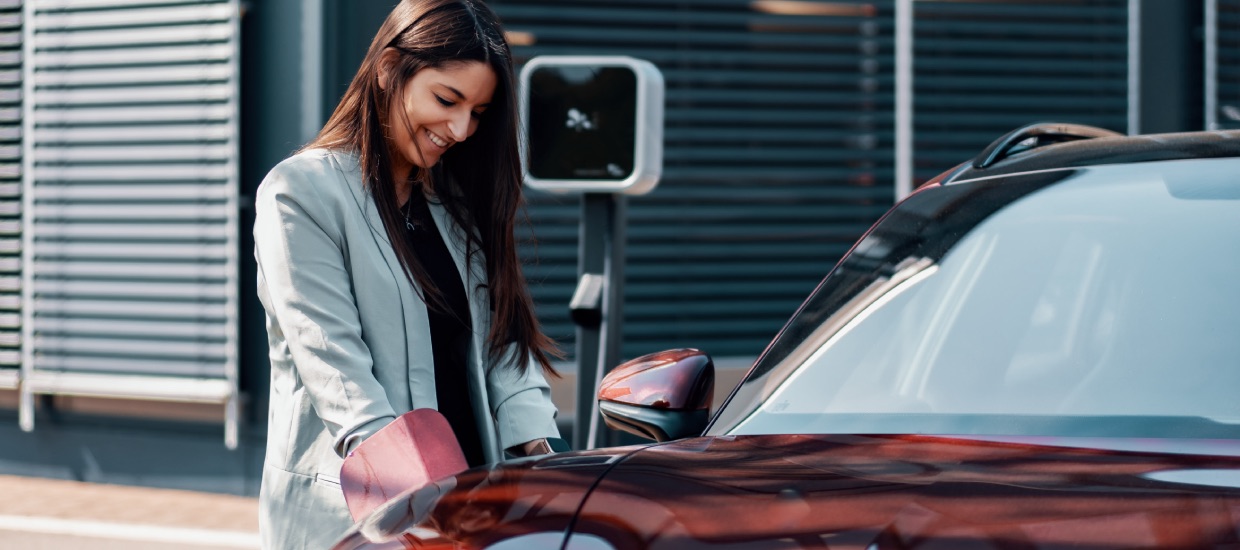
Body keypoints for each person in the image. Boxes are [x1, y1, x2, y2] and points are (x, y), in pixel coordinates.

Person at [252, 0, 563, 546]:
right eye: (447, 99)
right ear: (388, 69)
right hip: (366, 518)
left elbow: (502, 346)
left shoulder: (455, 203)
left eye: (479, 112)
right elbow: (337, 371)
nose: (462, 128)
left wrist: (541, 461)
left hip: (468, 509)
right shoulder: (300, 194)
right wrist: (413, 511)